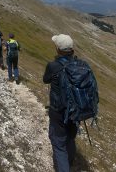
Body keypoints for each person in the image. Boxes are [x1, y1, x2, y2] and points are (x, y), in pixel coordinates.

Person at [43, 34, 78, 172]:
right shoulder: (78, 64)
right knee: (70, 137)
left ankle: (64, 167)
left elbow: (45, 80)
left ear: (58, 49)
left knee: (59, 144)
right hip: (75, 110)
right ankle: (70, 162)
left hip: (58, 110)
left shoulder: (53, 66)